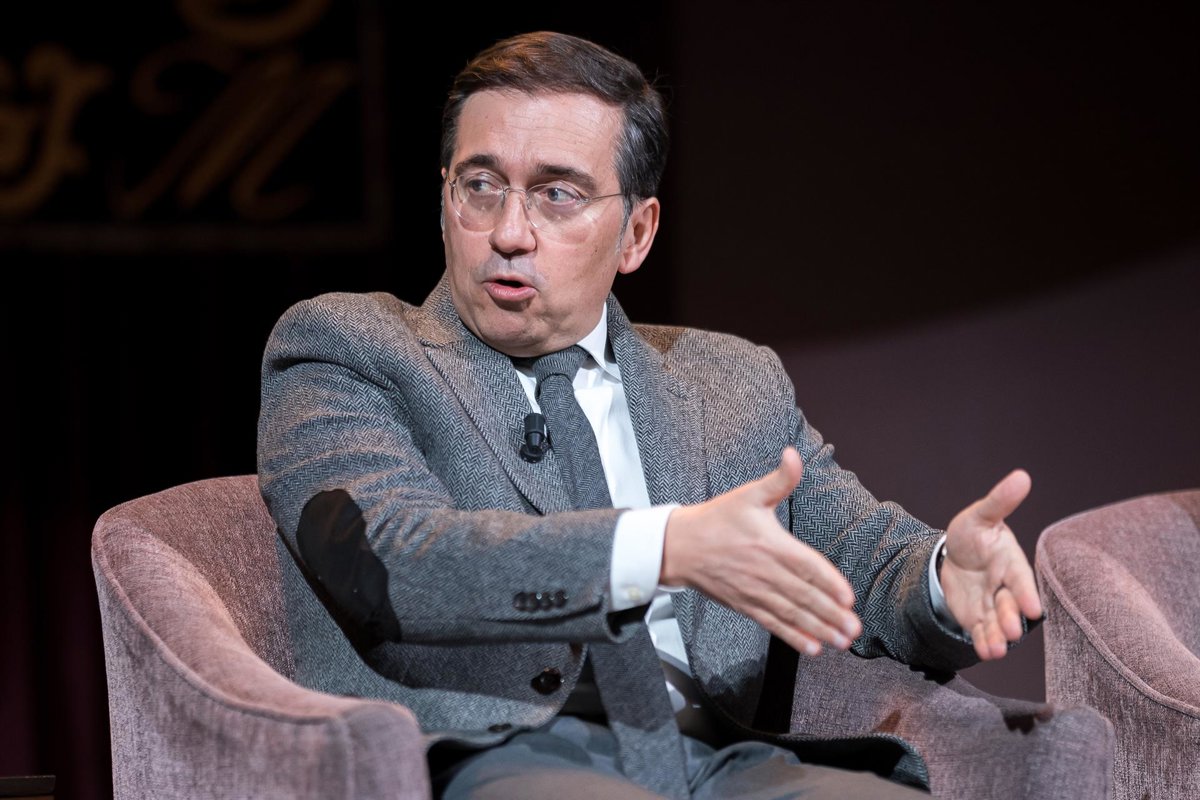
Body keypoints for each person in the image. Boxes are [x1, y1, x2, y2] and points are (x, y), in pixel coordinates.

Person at [256, 31, 1042, 799]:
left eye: (557, 195)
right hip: (492, 756)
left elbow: (858, 557)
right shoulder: (348, 347)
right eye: (481, 185)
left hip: (722, 760)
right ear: (443, 201)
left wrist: (943, 577)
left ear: (636, 233)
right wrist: (662, 546)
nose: (508, 233)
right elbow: (388, 561)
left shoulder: (730, 381)